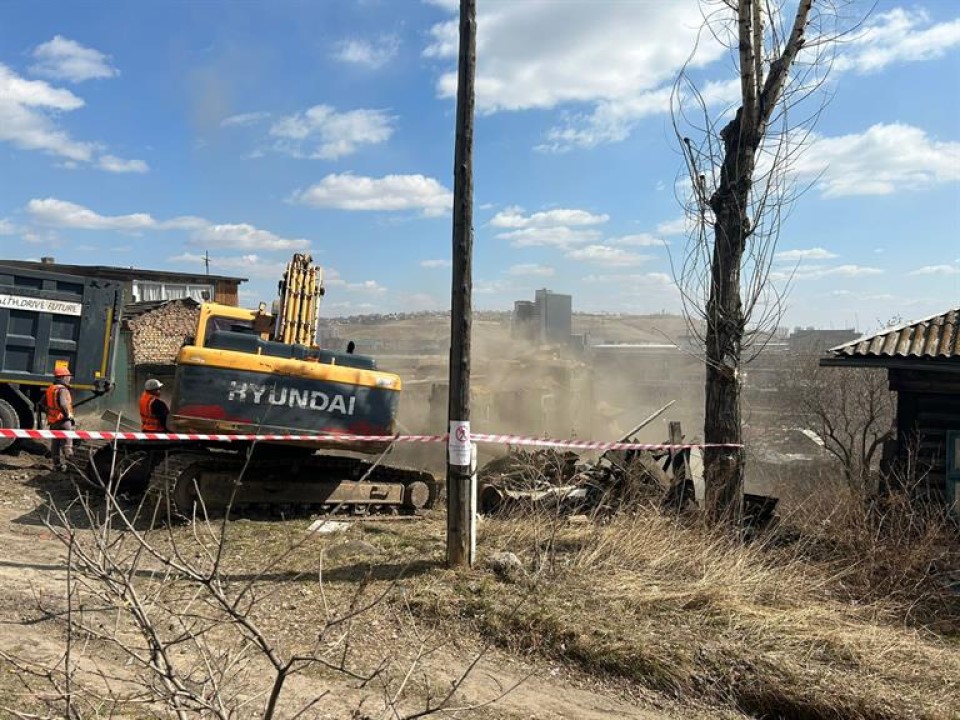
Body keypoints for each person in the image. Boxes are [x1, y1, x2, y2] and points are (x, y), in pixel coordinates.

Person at [45, 366, 75, 472]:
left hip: (53, 421)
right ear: (62, 377)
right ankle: (71, 466)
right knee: (67, 443)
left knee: (55, 444)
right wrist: (68, 415)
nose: (69, 378)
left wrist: (51, 414)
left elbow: (43, 404)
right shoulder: (62, 389)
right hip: (63, 421)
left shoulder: (50, 389)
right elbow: (63, 403)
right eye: (68, 376)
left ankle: (57, 465)